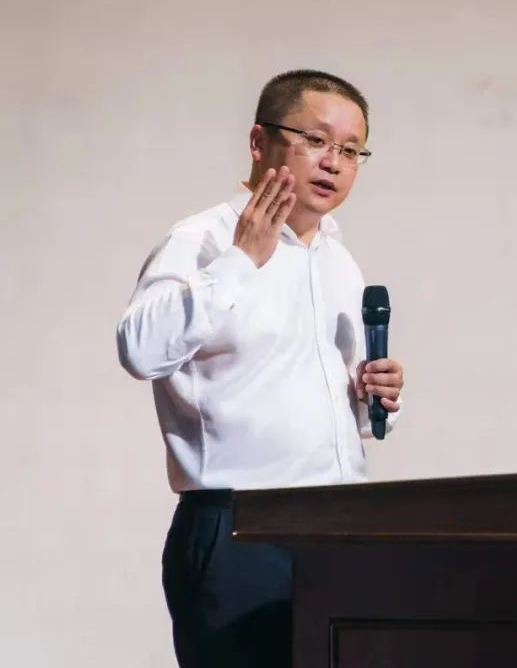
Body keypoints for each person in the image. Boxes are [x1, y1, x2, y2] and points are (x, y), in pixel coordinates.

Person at [115, 69, 404, 668]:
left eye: (351, 151)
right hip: (240, 530)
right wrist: (241, 261)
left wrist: (371, 397)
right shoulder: (201, 240)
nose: (334, 163)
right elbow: (139, 349)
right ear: (259, 142)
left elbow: (312, 397)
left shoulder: (338, 260)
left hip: (342, 526)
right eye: (317, 140)